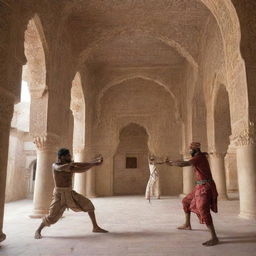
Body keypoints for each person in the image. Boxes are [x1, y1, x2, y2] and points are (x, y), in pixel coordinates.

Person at [34, 148, 108, 239]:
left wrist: (94, 163)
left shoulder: (70, 166)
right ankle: (38, 230)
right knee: (51, 217)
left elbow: (81, 168)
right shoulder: (55, 165)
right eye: (68, 155)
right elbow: (61, 167)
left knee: (89, 205)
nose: (70, 156)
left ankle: (95, 227)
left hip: (70, 193)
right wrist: (93, 163)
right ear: (62, 157)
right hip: (59, 195)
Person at [166, 142, 219, 246]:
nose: (190, 151)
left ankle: (214, 237)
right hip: (200, 186)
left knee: (203, 209)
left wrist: (171, 163)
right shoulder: (197, 157)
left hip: (205, 186)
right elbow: (184, 162)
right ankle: (187, 224)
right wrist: (171, 162)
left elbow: (184, 164)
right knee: (185, 201)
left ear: (196, 150)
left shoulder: (199, 157)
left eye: (191, 149)